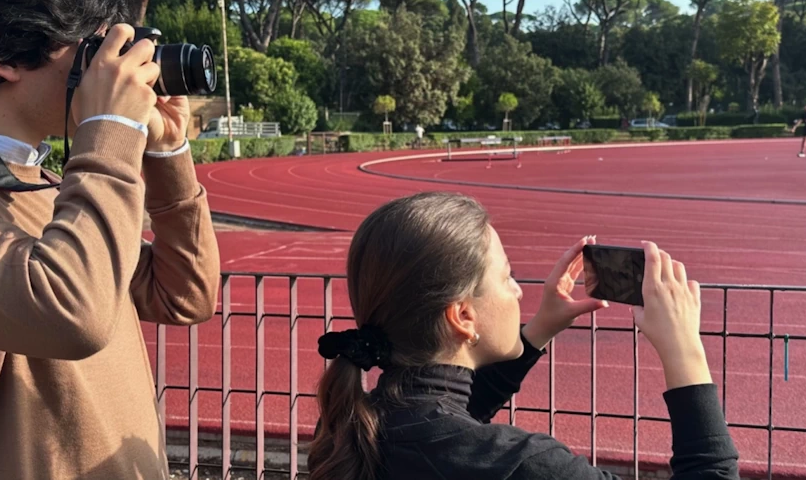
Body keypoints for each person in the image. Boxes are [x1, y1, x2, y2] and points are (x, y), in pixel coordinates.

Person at [0, 0, 220, 479]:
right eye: (97, 50)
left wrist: (166, 152)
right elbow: (73, 315)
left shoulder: (47, 186)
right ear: (3, 53)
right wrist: (110, 130)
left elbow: (183, 294)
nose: (119, 70)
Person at [309, 192, 739, 480]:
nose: (518, 290)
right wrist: (685, 350)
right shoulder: (523, 465)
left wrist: (538, 330)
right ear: (462, 315)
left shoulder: (348, 428)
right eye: (507, 276)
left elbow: (441, 420)